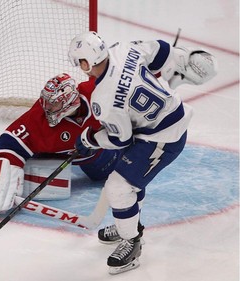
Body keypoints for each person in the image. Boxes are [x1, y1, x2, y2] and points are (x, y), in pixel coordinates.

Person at [68, 31, 217, 274]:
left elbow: (120, 139)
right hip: (167, 118)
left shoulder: (102, 99)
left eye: (79, 62)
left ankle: (132, 242)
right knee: (128, 180)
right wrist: (178, 66)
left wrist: (90, 139)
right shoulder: (123, 48)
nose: (80, 68)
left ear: (86, 62)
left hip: (164, 138)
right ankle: (130, 224)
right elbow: (161, 51)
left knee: (119, 186)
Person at [0, 73, 121, 214]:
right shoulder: (39, 118)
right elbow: (11, 140)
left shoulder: (96, 92)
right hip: (54, 154)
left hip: (98, 155)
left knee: (105, 171)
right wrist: (2, 170)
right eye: (47, 102)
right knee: (29, 159)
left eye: (54, 105)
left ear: (69, 103)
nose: (47, 108)